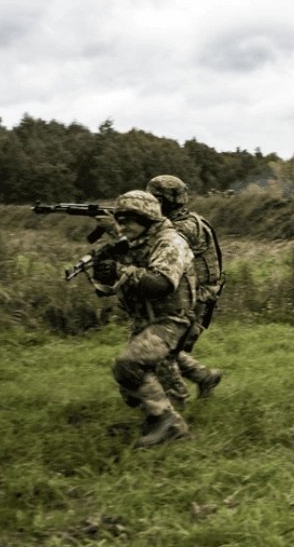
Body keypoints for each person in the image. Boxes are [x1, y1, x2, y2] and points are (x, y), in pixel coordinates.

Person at [90, 190, 198, 447]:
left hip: (171, 320)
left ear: (147, 219)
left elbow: (161, 284)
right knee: (134, 391)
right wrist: (104, 272)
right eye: (119, 220)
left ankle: (171, 425)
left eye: (129, 220)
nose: (122, 226)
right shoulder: (132, 244)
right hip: (143, 320)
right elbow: (106, 290)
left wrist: (122, 271)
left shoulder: (170, 242)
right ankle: (157, 419)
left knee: (128, 366)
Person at [146, 175, 224, 407]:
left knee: (162, 349)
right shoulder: (182, 221)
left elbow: (152, 247)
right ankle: (205, 378)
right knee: (165, 348)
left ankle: (174, 406)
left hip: (195, 299)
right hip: (190, 296)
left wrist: (118, 228)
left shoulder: (184, 227)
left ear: (162, 201)